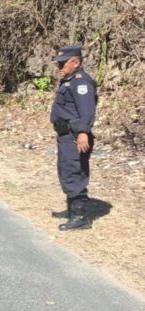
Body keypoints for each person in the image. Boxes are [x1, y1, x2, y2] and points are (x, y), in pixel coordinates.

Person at [49, 44, 98, 231]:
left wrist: (83, 132)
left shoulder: (81, 82)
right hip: (66, 134)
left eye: (63, 64)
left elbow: (87, 110)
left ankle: (81, 216)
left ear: (76, 62)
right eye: (59, 64)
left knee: (75, 171)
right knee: (66, 170)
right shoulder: (69, 80)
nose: (59, 68)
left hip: (76, 135)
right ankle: (71, 209)